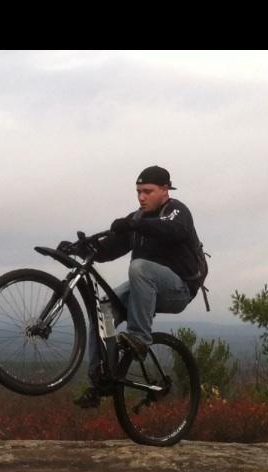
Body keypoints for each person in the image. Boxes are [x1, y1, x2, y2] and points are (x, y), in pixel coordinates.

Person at [60, 166, 203, 408]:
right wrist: (80, 248)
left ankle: (140, 337)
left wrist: (134, 226)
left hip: (179, 289)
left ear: (165, 190)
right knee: (102, 311)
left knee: (140, 267)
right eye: (138, 191)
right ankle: (100, 380)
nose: (141, 197)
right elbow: (107, 250)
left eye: (147, 191)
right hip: (145, 288)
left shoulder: (177, 211)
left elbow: (172, 229)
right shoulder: (137, 219)